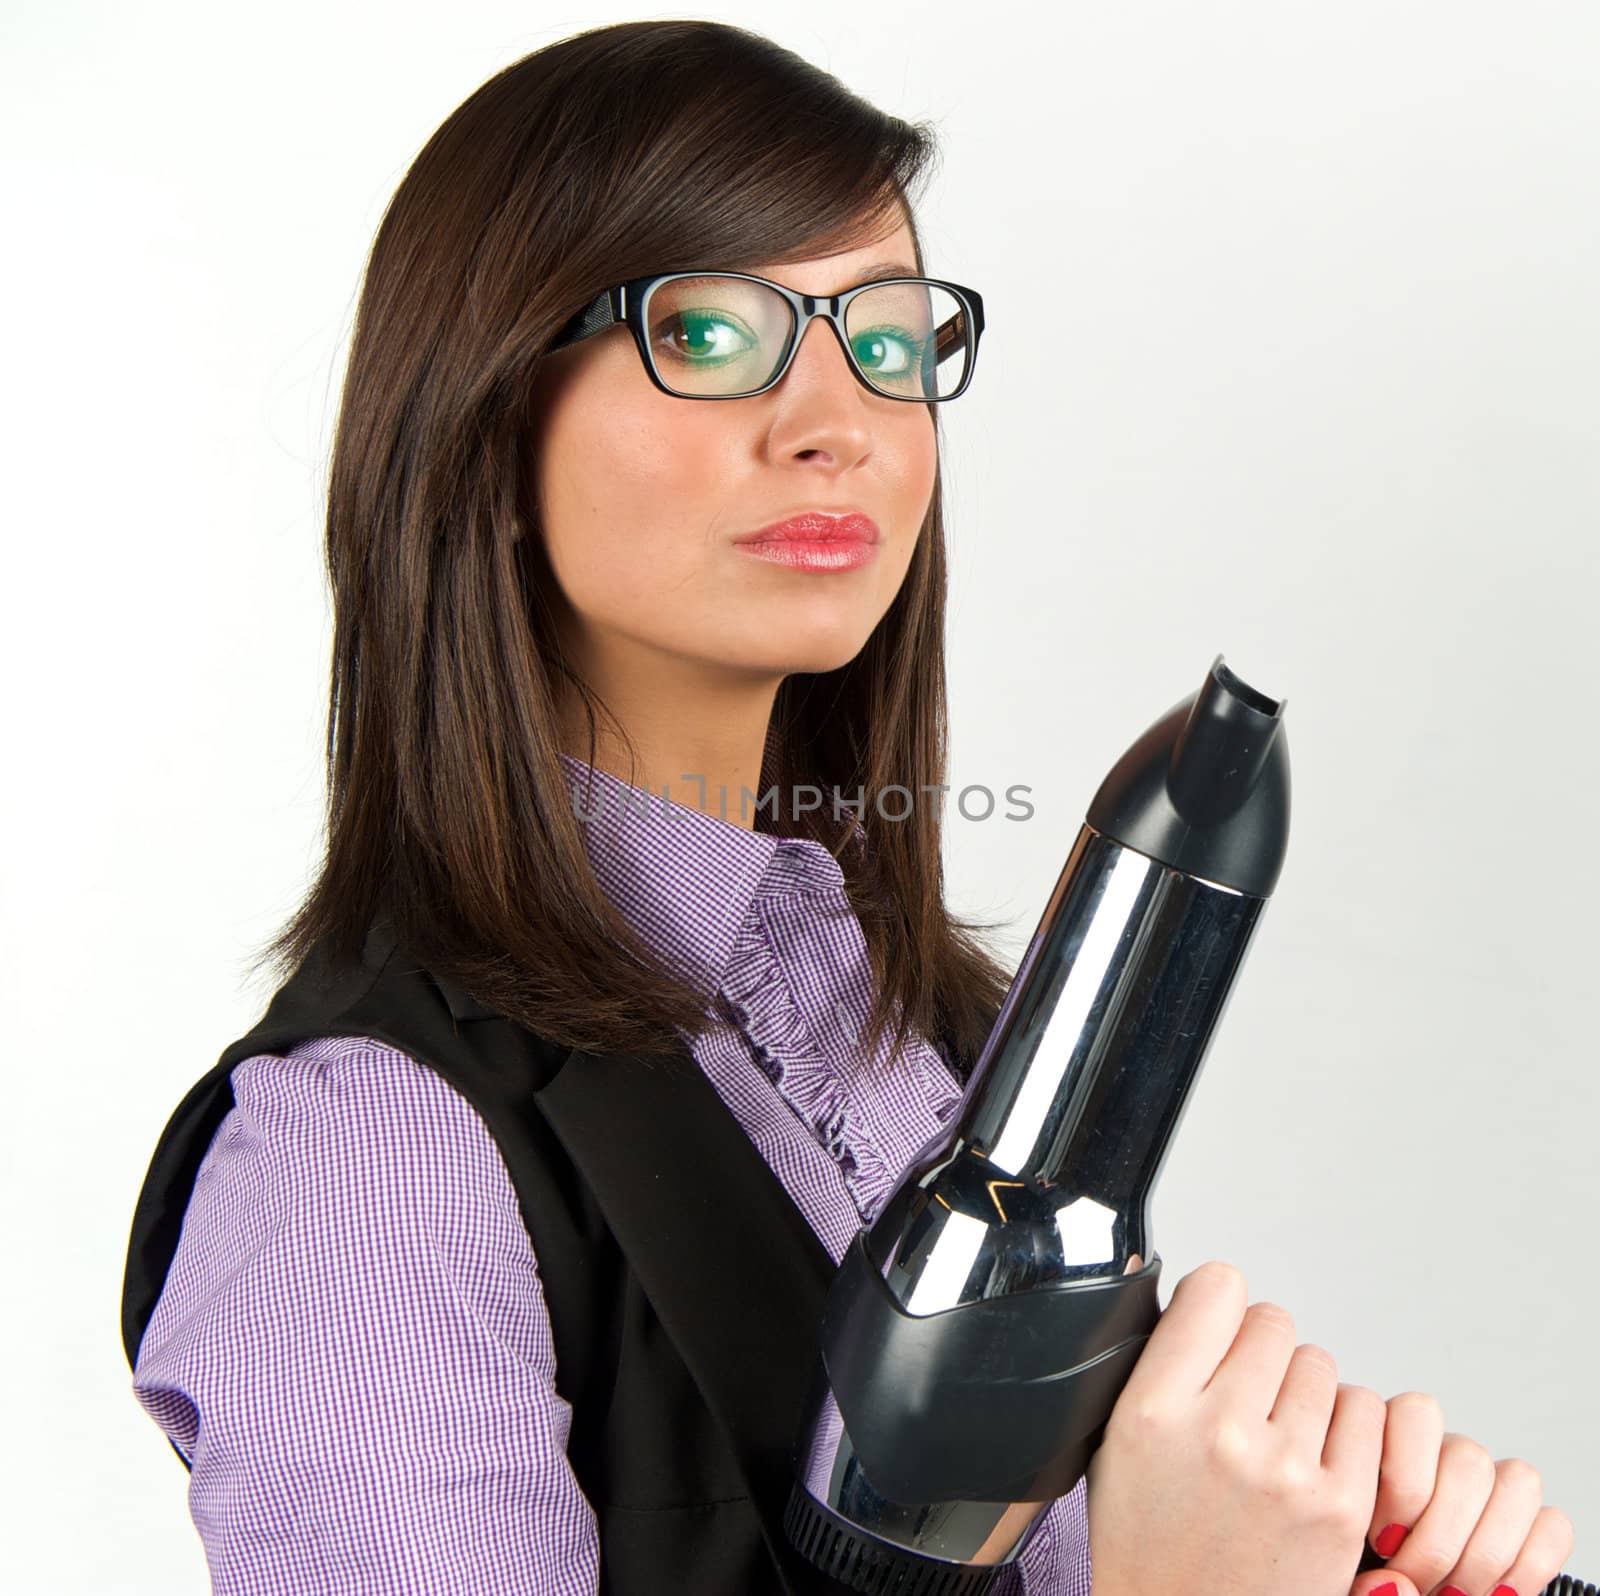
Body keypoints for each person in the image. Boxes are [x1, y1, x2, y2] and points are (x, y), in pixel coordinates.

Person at [121, 19, 1573, 1596]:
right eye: (721, 333)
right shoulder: (375, 1160)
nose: (840, 417)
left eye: (886, 339)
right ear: (484, 407)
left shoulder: (933, 1056)